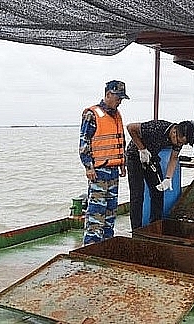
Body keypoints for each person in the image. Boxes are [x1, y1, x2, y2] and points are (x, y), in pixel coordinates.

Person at [79, 80, 129, 245]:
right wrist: (88, 166)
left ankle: (107, 244)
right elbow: (84, 142)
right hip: (99, 171)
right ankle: (91, 246)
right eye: (118, 97)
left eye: (122, 98)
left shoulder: (117, 115)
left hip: (114, 170)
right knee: (96, 212)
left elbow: (121, 139)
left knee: (110, 211)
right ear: (108, 94)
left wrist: (123, 162)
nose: (120, 101)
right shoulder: (91, 114)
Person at [126, 120, 194, 230]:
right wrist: (142, 149)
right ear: (174, 132)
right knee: (137, 195)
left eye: (182, 144)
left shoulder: (178, 140)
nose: (179, 145)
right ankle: (136, 230)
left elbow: (174, 158)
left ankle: (155, 226)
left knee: (158, 191)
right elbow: (130, 127)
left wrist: (168, 178)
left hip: (152, 157)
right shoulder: (156, 128)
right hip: (135, 157)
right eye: (179, 142)